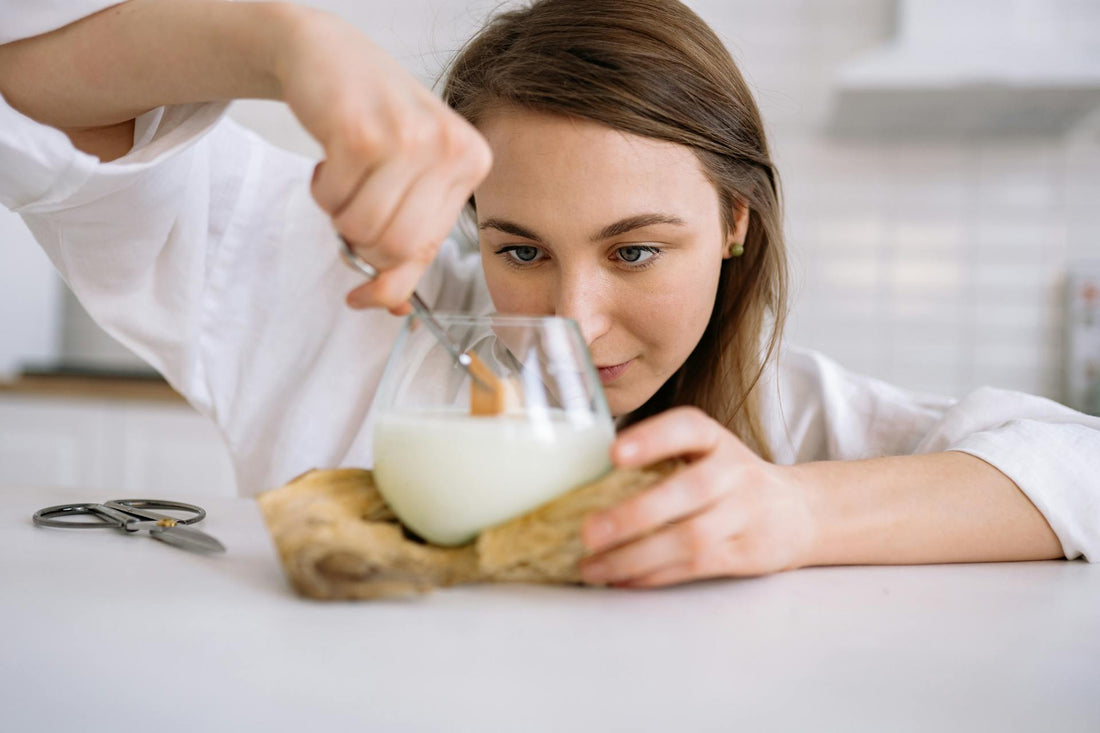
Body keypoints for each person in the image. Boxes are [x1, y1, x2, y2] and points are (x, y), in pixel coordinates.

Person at [1, 0, 1097, 588]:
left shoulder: (798, 425)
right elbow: (30, 108)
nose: (569, 322)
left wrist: (800, 511)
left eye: (633, 252)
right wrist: (281, 40)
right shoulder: (337, 294)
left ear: (731, 224)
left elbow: (1077, 468)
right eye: (519, 250)